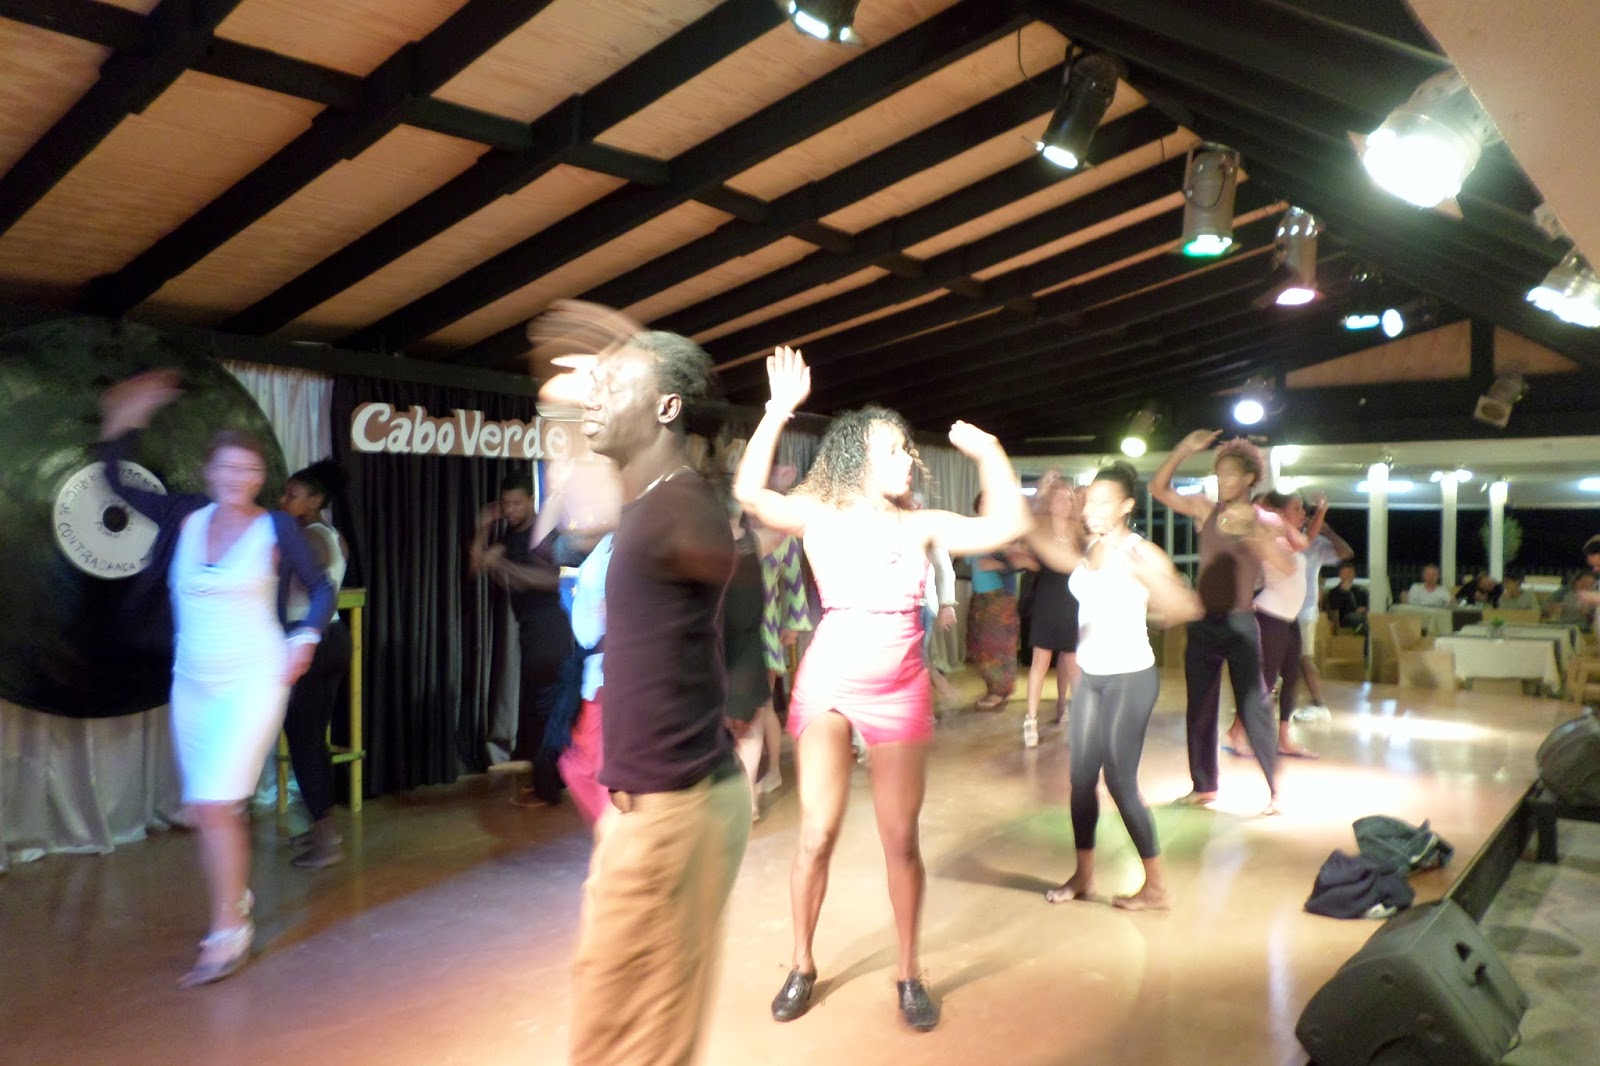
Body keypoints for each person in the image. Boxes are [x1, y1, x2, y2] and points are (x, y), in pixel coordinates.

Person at [734, 346, 1029, 1032]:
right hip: (829, 683)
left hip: (899, 689)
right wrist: (776, 411)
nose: (908, 461)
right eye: (894, 450)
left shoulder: (919, 524)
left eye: (907, 451)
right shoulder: (819, 513)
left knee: (901, 841)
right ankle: (801, 964)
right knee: (816, 835)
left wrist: (991, 453)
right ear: (857, 460)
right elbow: (750, 495)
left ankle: (909, 973)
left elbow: (1008, 526)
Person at [542, 309, 750, 1066]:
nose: (594, 398)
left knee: (625, 1044)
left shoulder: (681, 506)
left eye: (615, 385)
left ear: (666, 407)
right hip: (651, 812)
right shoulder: (646, 504)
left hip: (674, 814)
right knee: (629, 1036)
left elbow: (728, 565)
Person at [98, 370, 335, 988]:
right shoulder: (185, 518)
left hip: (255, 679)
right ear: (209, 473)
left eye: (249, 470)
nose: (237, 478)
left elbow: (321, 590)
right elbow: (116, 483)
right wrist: (125, 422)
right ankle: (237, 898)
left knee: (212, 803)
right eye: (227, 468)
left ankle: (229, 929)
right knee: (207, 810)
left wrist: (306, 637)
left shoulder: (277, 528)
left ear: (261, 478)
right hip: (193, 684)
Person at [1026, 463, 1201, 910]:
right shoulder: (1089, 547)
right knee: (1081, 780)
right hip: (1091, 676)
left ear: (1126, 506)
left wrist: (1150, 581)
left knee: (1120, 780)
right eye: (1090, 499)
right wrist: (1043, 500)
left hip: (1130, 677)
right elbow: (1042, 538)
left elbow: (1185, 608)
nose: (1091, 508)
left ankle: (1156, 886)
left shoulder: (1143, 552)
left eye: (1104, 501)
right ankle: (1083, 876)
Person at [1150, 430, 1291, 814]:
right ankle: (1204, 786)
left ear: (1249, 477)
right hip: (1203, 623)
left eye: (1230, 474)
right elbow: (1158, 489)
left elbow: (1287, 565)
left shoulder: (1263, 518)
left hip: (1240, 624)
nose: (1223, 480)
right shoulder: (1205, 510)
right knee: (1199, 707)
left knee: (1254, 706)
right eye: (1219, 474)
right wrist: (1183, 448)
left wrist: (1258, 536)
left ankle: (1275, 791)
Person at [470, 472, 574, 807]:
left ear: (531, 501)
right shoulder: (511, 536)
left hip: (550, 628)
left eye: (517, 503)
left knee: (543, 709)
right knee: (535, 709)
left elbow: (551, 579)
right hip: (530, 630)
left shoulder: (542, 535)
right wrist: (483, 528)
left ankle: (548, 790)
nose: (511, 510)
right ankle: (548, 783)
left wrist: (505, 568)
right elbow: (476, 566)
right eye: (506, 504)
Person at [279, 459, 355, 869]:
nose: (283, 500)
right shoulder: (333, 534)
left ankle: (327, 840)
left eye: (291, 495)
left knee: (304, 741)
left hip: (311, 640)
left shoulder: (310, 536)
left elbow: (310, 575)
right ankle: (323, 827)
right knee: (313, 739)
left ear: (315, 500)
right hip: (333, 638)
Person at [1231, 491, 1316, 760]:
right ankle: (1236, 731)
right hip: (1270, 616)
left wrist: (1316, 513)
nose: (1303, 513)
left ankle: (1284, 739)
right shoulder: (1273, 539)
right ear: (1280, 513)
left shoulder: (1292, 537)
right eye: (1297, 508)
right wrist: (1275, 519)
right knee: (1264, 681)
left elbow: (1305, 540)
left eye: (1303, 509)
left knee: (1292, 677)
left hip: (1289, 619)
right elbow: (1291, 558)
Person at [562, 532, 612, 827]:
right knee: (579, 766)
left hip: (613, 676)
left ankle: (617, 840)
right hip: (597, 676)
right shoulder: (603, 548)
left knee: (602, 770)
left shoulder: (621, 547)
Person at [1292, 495, 1352, 723]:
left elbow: (1346, 553)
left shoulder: (1316, 543)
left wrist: (1327, 531)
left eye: (1304, 513)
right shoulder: (1284, 538)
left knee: (1303, 658)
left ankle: (1319, 704)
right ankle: (1282, 702)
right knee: (1286, 658)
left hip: (1304, 610)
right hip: (1283, 608)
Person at [966, 509, 1029, 711]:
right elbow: (967, 561)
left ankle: (1000, 692)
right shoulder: (977, 533)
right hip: (980, 598)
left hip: (999, 598)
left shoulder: (1004, 533)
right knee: (979, 646)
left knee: (997, 647)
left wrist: (999, 564)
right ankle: (997, 689)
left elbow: (1023, 559)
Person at [1023, 554, 1079, 748]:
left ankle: (1066, 708)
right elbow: (1027, 559)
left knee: (1071, 659)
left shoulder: (1079, 537)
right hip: (1047, 597)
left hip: (1073, 598)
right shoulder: (1043, 537)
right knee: (1041, 659)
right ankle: (1031, 720)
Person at [1325, 563, 1369, 631]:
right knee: (1360, 618)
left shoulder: (1361, 590)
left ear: (1354, 575)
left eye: (1350, 573)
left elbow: (1368, 604)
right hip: (1344, 618)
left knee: (1371, 619)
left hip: (1363, 615)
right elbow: (1335, 608)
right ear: (1340, 575)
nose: (1347, 576)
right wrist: (1345, 592)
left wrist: (1365, 609)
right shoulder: (1334, 591)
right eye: (1344, 574)